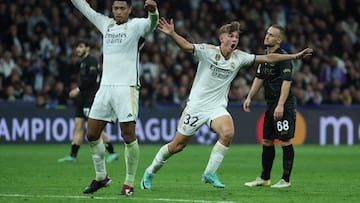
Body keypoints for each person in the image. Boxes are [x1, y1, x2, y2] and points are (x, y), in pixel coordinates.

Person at [140, 18, 312, 190]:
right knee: (177, 146)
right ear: (221, 38)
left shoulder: (239, 57)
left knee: (228, 132)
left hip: (216, 108)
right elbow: (186, 46)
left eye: (236, 37)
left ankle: (209, 173)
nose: (234, 40)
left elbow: (269, 57)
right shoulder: (207, 51)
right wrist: (172, 33)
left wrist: (295, 56)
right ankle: (151, 171)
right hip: (196, 107)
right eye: (230, 36)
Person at [70, 0, 159, 195]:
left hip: (126, 88)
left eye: (122, 9)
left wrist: (153, 12)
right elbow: (85, 9)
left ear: (129, 10)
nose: (118, 12)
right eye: (115, 8)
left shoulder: (136, 26)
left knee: (128, 135)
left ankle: (129, 183)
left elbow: (152, 23)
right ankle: (101, 177)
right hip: (105, 88)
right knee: (92, 134)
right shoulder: (106, 24)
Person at [243, 25, 297, 188]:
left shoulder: (283, 58)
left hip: (283, 104)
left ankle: (285, 179)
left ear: (279, 40)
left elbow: (287, 82)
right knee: (267, 140)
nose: (267, 37)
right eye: (266, 33)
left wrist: (280, 105)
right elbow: (259, 78)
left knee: (285, 140)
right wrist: (249, 97)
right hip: (270, 104)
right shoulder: (265, 57)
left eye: (271, 35)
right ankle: (265, 178)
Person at [58, 39, 119, 163]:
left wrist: (78, 89)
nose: (77, 49)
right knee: (78, 125)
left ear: (87, 48)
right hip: (82, 98)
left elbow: (92, 78)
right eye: (77, 47)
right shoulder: (84, 62)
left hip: (90, 99)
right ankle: (73, 155)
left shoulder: (91, 61)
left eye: (80, 47)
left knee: (94, 129)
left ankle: (112, 151)